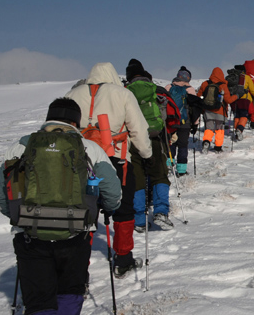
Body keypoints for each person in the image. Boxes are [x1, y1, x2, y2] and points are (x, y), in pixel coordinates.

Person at [0, 98, 121, 315]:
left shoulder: (21, 146)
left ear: (48, 119)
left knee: (39, 300)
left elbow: (2, 192)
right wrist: (105, 209)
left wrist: (19, 216)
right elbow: (112, 191)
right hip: (76, 234)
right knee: (71, 290)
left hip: (30, 236)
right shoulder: (89, 148)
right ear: (75, 122)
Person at [66, 63, 154, 276]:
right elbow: (138, 129)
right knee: (124, 210)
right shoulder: (122, 94)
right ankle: (123, 259)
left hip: (80, 164)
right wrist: (146, 154)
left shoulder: (72, 94)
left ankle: (78, 271)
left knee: (84, 213)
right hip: (116, 160)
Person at [124, 60, 174, 231]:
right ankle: (161, 212)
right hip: (155, 138)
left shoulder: (124, 93)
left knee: (137, 179)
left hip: (131, 141)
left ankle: (138, 219)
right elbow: (173, 112)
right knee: (160, 175)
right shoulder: (156, 90)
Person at [165, 67, 199, 176]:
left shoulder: (169, 87)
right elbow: (194, 108)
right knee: (183, 145)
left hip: (170, 121)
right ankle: (181, 170)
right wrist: (195, 124)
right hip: (185, 122)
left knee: (171, 143)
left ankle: (168, 165)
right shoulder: (190, 89)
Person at [198, 67, 239, 152]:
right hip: (220, 111)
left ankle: (206, 141)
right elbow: (228, 100)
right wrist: (237, 96)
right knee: (219, 129)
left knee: (209, 128)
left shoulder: (205, 84)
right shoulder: (223, 85)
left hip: (208, 110)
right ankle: (218, 147)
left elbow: (199, 97)